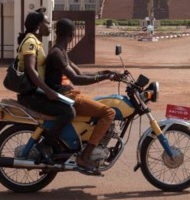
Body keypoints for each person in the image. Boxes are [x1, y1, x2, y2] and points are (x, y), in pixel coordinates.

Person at [45, 18, 117, 175]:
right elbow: (77, 79)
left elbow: (80, 73)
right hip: (66, 96)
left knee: (99, 105)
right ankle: (84, 157)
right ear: (72, 35)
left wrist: (104, 73)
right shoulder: (57, 54)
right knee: (109, 112)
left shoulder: (61, 52)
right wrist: (103, 77)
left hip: (68, 94)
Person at [15, 10, 74, 164]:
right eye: (47, 23)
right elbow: (31, 69)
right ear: (38, 25)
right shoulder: (30, 42)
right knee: (68, 112)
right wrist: (48, 91)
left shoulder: (36, 41)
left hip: (37, 92)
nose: (50, 26)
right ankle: (46, 145)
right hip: (32, 94)